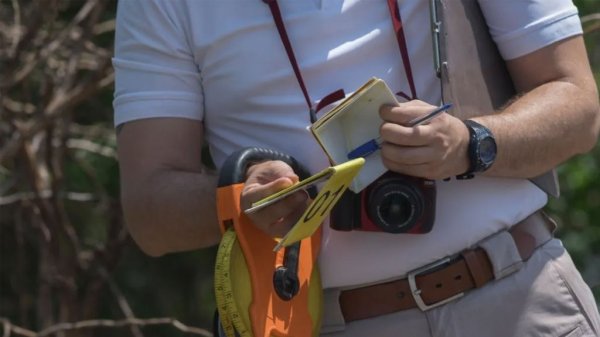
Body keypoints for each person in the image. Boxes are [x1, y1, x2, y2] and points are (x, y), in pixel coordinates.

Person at [113, 0, 600, 336]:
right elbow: (150, 210)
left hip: (519, 297)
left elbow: (579, 108)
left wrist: (470, 144)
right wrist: (241, 202)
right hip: (325, 322)